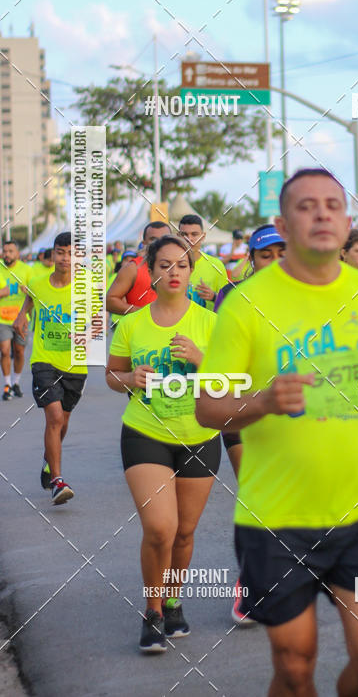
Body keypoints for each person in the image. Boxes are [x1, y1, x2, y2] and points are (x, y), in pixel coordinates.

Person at [197, 168, 358, 697]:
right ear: (282, 222)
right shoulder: (246, 303)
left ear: (347, 222)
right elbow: (208, 406)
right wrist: (265, 400)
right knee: (295, 667)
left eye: (332, 205)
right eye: (306, 206)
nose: (321, 213)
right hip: (277, 516)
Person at [106, 234, 220, 653]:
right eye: (165, 265)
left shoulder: (210, 323)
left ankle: (173, 601)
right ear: (150, 272)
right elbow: (112, 375)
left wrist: (202, 360)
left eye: (182, 265)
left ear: (192, 272)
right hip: (145, 432)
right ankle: (153, 611)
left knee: (184, 534)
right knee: (160, 528)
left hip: (200, 437)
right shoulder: (133, 323)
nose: (174, 272)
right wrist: (129, 379)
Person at [214, 222, 286, 626]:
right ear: (252, 260)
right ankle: (250, 583)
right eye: (265, 254)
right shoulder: (233, 297)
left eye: (281, 253)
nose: (274, 261)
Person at [14, 233, 89, 504]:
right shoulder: (37, 282)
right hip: (43, 361)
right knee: (55, 418)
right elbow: (31, 300)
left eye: (71, 253)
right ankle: (58, 481)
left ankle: (49, 460)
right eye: (60, 252)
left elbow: (98, 318)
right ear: (53, 254)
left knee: (63, 422)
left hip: (76, 365)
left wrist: (89, 332)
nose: (65, 258)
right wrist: (22, 316)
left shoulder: (88, 286)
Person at [106, 221, 169, 316]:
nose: (159, 243)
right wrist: (142, 313)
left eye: (164, 239)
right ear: (144, 243)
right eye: (153, 239)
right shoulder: (133, 268)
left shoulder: (180, 266)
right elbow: (109, 301)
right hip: (142, 329)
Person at [177, 214, 228, 312]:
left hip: (209, 325)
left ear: (203, 236)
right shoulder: (170, 266)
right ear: (178, 236)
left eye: (194, 234)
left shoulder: (216, 265)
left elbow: (228, 303)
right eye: (184, 235)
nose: (189, 239)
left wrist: (214, 297)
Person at [0, 241, 31, 399]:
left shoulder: (26, 270)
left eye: (11, 251)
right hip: (2, 318)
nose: (7, 254)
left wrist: (28, 290)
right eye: (5, 251)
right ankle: (7, 385)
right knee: (5, 351)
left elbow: (35, 292)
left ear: (17, 254)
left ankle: (16, 382)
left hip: (21, 318)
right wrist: (8, 290)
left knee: (19, 352)